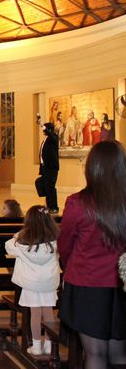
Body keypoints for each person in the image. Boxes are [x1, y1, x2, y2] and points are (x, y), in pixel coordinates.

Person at [58, 140, 126, 369]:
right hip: (122, 286)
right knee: (120, 353)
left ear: (92, 167)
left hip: (87, 285)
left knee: (95, 354)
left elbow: (65, 245)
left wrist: (70, 267)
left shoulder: (78, 203)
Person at [5, 205, 60, 356]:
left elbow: (7, 246)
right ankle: (49, 345)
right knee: (49, 313)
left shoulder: (22, 243)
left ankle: (36, 346)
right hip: (48, 283)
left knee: (35, 314)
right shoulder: (56, 241)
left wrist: (19, 234)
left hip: (30, 284)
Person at [38, 122, 59, 213]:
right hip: (45, 168)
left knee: (50, 187)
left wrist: (42, 126)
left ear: (49, 130)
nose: (43, 130)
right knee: (44, 185)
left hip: (51, 168)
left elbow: (51, 135)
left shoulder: (53, 137)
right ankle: (48, 205)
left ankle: (54, 207)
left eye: (45, 128)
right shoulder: (46, 139)